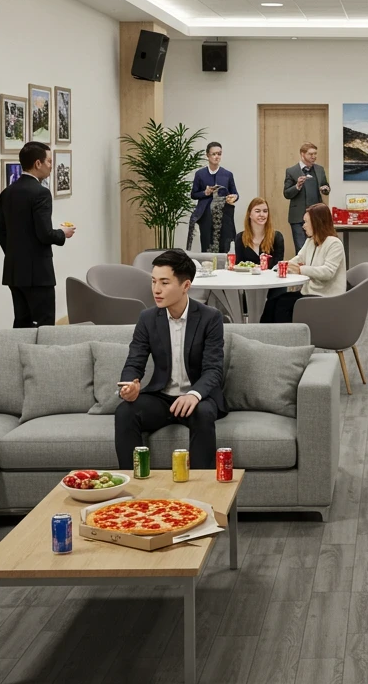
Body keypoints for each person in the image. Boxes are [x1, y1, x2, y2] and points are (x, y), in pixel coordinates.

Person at [115, 249, 226, 471]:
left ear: (186, 286)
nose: (156, 289)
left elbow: (213, 369)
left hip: (198, 398)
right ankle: (135, 486)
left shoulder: (210, 317)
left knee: (202, 413)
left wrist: (194, 395)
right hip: (162, 398)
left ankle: (200, 490)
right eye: (154, 281)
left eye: (164, 283)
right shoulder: (147, 318)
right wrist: (129, 384)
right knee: (125, 412)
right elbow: (134, 361)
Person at [0, 141, 75, 327]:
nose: (51, 166)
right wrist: (63, 233)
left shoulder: (7, 193)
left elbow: (0, 230)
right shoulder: (41, 193)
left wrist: (15, 254)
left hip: (14, 271)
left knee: (21, 323)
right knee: (44, 325)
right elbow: (45, 234)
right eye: (49, 161)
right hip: (38, 274)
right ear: (37, 164)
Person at [262, 204, 347, 323]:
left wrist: (300, 270)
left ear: (316, 222)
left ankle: (285, 338)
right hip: (310, 292)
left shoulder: (334, 244)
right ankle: (263, 337)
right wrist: (282, 266)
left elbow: (328, 272)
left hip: (325, 296)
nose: (303, 226)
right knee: (272, 302)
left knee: (283, 305)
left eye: (306, 222)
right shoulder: (311, 241)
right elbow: (298, 258)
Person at [190, 142, 238, 253]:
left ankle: (222, 268)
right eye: (214, 154)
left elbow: (235, 193)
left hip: (223, 214)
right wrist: (205, 193)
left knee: (224, 243)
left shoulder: (227, 174)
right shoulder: (200, 174)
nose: (217, 157)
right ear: (207, 155)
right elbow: (193, 194)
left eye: (219, 154)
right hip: (206, 214)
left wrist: (233, 197)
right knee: (206, 243)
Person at [283, 142, 331, 252]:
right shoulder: (291, 171)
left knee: (318, 248)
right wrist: (297, 186)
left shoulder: (320, 169)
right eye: (311, 154)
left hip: (316, 217)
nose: (314, 157)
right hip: (298, 217)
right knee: (301, 249)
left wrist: (326, 189)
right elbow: (286, 193)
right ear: (302, 154)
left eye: (315, 154)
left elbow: (325, 186)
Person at [234, 197, 285, 266]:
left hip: (269, 276)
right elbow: (239, 265)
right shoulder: (240, 238)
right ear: (250, 214)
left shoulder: (277, 237)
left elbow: (277, 265)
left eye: (265, 211)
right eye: (257, 211)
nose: (262, 215)